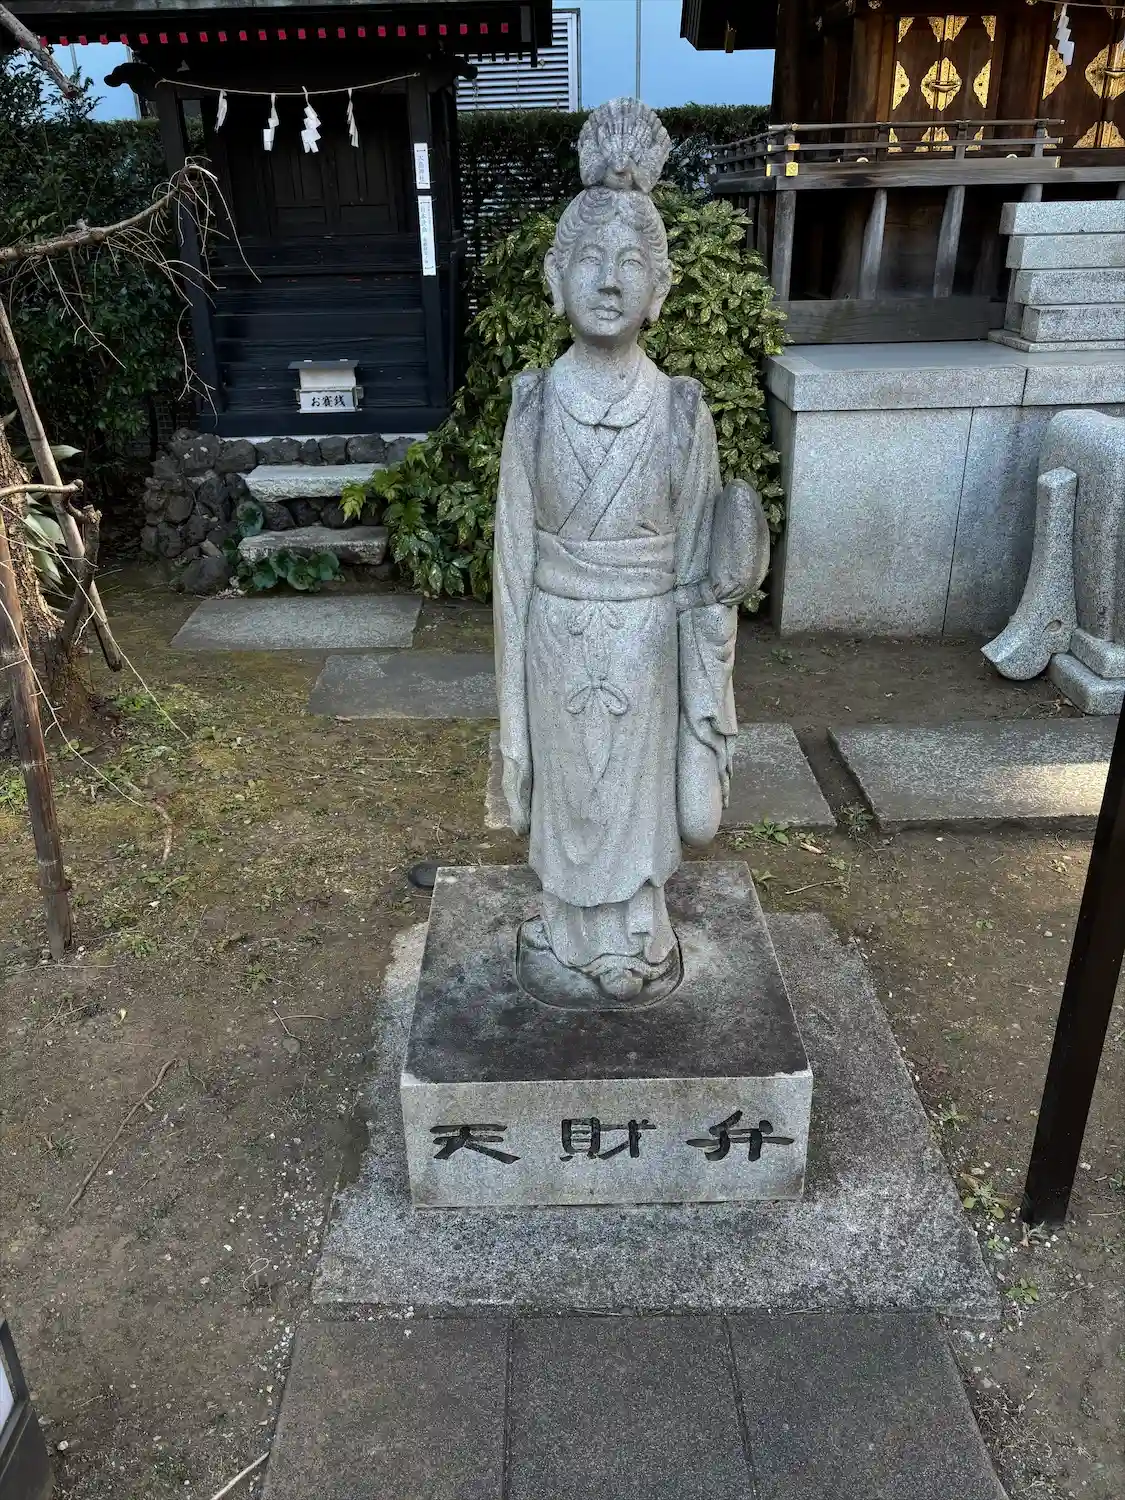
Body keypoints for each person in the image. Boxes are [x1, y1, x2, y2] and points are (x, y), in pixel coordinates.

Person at [493, 98, 766, 1005]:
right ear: (554, 277)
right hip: (555, 632)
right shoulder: (533, 403)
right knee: (570, 788)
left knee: (635, 794)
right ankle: (568, 923)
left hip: (646, 640)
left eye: (631, 265)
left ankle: (636, 928)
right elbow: (510, 569)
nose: (608, 283)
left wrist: (709, 630)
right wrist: (510, 720)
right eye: (589, 261)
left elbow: (698, 574)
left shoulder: (681, 409)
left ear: (660, 288)